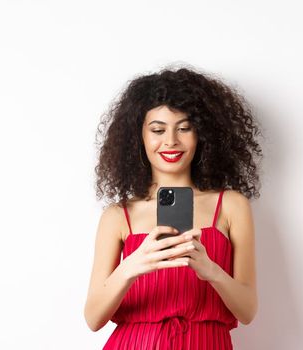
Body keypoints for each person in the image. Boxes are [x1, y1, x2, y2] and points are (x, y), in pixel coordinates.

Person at [84, 65, 262, 349]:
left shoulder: (231, 206)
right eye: (158, 129)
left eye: (184, 128)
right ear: (138, 137)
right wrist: (131, 267)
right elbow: (93, 318)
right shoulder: (118, 216)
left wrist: (210, 270)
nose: (171, 141)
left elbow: (248, 310)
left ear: (202, 133)